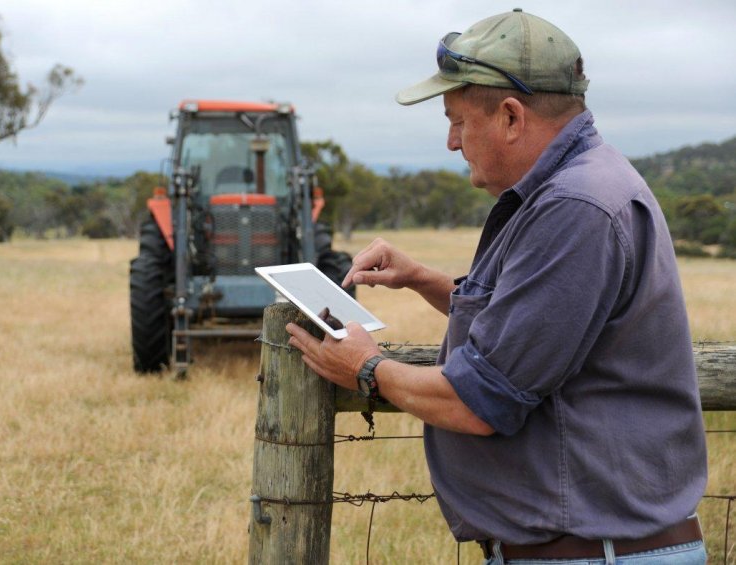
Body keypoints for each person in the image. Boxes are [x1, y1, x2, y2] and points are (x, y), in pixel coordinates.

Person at [286, 9, 708, 564]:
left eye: (458, 120)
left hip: (592, 555)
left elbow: (481, 402)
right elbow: (535, 323)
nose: (452, 142)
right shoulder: (581, 185)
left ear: (511, 116)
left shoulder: (575, 207)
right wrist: (421, 280)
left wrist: (368, 368)